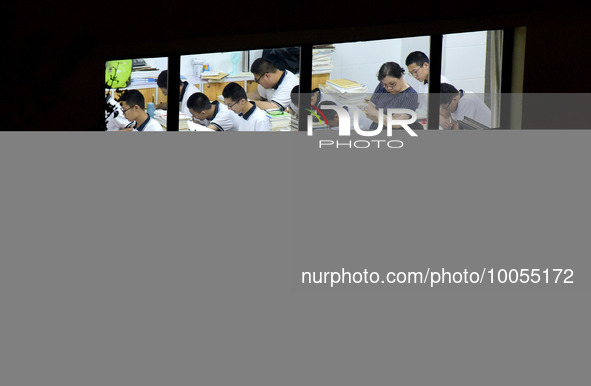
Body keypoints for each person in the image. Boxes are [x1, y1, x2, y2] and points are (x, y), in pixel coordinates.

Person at [364, 62, 421, 131]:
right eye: (385, 85)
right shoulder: (382, 86)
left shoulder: (410, 95)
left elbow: (396, 124)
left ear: (401, 75)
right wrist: (389, 118)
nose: (389, 88)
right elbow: (368, 111)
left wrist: (375, 113)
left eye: (392, 84)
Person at [405, 51, 452, 128]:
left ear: (426, 65)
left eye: (415, 72)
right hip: (427, 117)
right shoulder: (422, 81)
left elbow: (449, 108)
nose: (414, 76)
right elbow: (422, 105)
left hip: (442, 123)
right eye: (411, 73)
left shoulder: (442, 82)